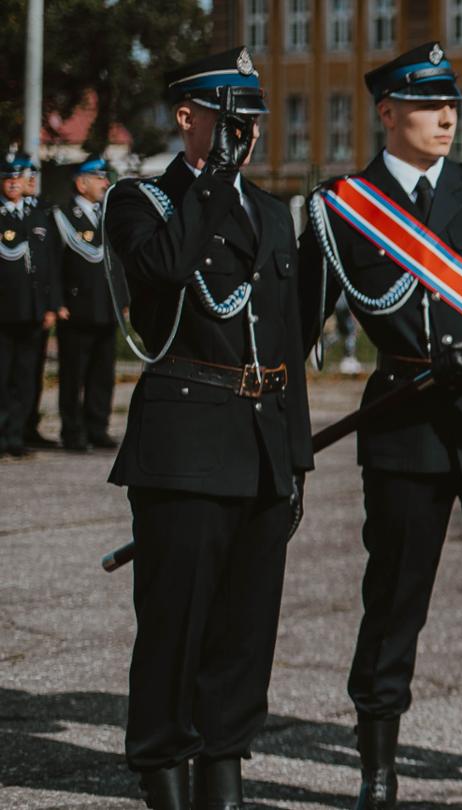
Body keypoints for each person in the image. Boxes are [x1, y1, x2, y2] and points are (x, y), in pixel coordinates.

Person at [300, 41, 462, 810]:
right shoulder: (343, 207)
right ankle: (377, 775)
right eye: (425, 104)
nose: (445, 116)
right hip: (405, 427)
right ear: (388, 114)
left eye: (451, 103)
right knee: (393, 602)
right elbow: (298, 328)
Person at [103, 47, 316, 810]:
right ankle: (162, 766)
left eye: (250, 122)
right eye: (229, 121)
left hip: (260, 446)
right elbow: (161, 270)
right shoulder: (141, 202)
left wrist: (295, 461)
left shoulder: (270, 211)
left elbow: (286, 340)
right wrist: (214, 176)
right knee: (175, 626)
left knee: (243, 632)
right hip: (184, 447)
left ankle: (222, 774)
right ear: (187, 118)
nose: (243, 136)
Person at [46, 155, 121, 451]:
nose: (105, 183)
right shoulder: (62, 216)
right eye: (99, 178)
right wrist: (56, 301)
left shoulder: (109, 216)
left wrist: (123, 300)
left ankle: (97, 427)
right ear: (81, 183)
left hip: (105, 307)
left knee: (103, 374)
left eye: (105, 177)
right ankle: (72, 431)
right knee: (73, 374)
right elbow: (51, 263)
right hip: (75, 309)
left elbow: (118, 263)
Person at [0, 156, 56, 459]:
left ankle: (16, 435)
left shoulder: (36, 216)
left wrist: (51, 305)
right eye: (7, 178)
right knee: (2, 376)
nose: (13, 182)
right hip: (5, 312)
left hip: (32, 310)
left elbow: (49, 265)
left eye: (17, 178)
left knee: (24, 377)